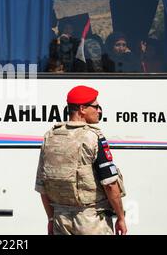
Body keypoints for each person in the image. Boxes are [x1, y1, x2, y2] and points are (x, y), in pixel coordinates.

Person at [35, 85, 127, 235]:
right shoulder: (93, 137)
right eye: (96, 107)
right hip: (90, 221)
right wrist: (121, 217)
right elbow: (110, 184)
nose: (99, 111)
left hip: (60, 220)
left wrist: (51, 219)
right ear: (82, 109)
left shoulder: (50, 136)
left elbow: (42, 185)